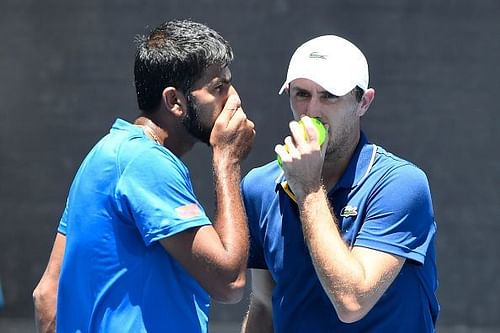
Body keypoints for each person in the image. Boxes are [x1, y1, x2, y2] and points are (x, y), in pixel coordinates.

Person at [32, 19, 255, 332]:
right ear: (174, 101)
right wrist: (227, 160)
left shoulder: (107, 155)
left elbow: (47, 297)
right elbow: (229, 282)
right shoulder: (145, 163)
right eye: (219, 87)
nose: (234, 100)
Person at [241, 35, 439, 332]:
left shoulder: (401, 184)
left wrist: (307, 189)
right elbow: (264, 303)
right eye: (301, 94)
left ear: (364, 102)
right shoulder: (258, 186)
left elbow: (352, 302)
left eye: (330, 96)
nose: (312, 111)